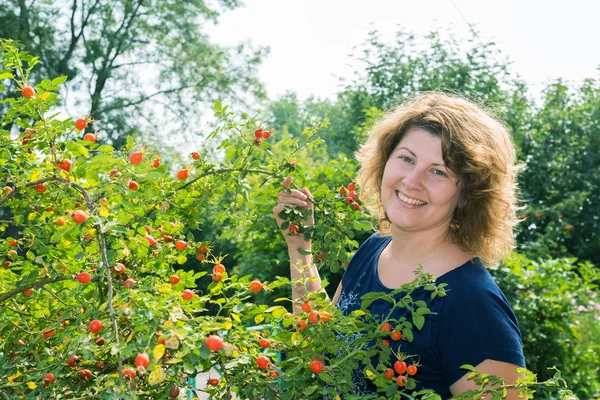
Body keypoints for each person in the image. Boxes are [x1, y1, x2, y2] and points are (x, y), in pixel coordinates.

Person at [273, 92, 526, 399]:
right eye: (406, 159)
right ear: (385, 161)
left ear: (467, 194)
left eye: (438, 171)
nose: (411, 180)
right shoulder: (372, 250)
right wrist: (299, 245)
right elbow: (319, 348)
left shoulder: (473, 307)